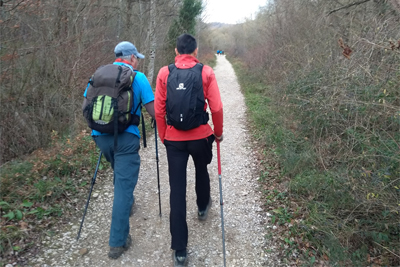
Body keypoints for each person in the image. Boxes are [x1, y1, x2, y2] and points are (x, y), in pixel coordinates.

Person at [154, 33, 223, 266]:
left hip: (173, 139)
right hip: (200, 136)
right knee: (202, 169)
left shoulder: (165, 73)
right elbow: (217, 108)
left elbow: (159, 110)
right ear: (196, 51)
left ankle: (180, 249)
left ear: (176, 51)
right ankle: (203, 206)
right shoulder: (206, 72)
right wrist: (219, 132)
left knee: (177, 189)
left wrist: (164, 135)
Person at [82, 41, 155, 259]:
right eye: (137, 59)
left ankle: (129, 203)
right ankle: (118, 241)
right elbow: (154, 110)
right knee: (123, 187)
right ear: (131, 57)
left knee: (120, 175)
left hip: (100, 137)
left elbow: (85, 106)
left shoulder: (99, 74)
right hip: (125, 139)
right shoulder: (138, 78)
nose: (138, 62)